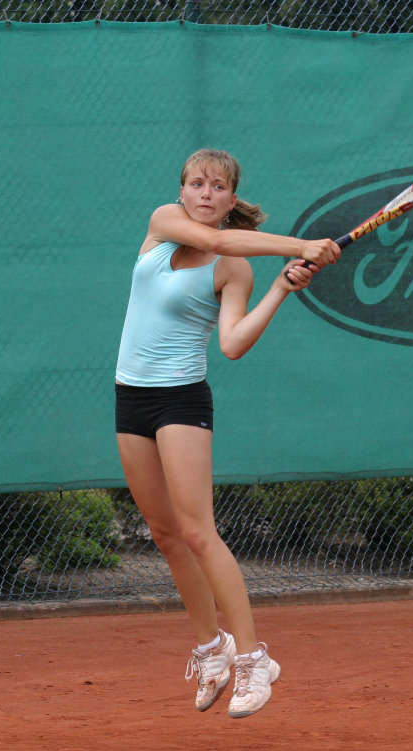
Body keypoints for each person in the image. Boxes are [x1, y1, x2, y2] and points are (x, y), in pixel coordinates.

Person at [115, 149, 340, 718]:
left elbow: (233, 344)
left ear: (231, 199)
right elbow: (217, 241)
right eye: (196, 183)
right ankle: (211, 652)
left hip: (180, 402)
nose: (205, 193)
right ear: (183, 191)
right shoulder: (163, 224)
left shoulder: (233, 269)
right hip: (130, 398)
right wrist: (299, 246)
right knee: (163, 535)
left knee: (197, 533)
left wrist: (282, 288)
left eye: (217, 187)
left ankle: (253, 659)